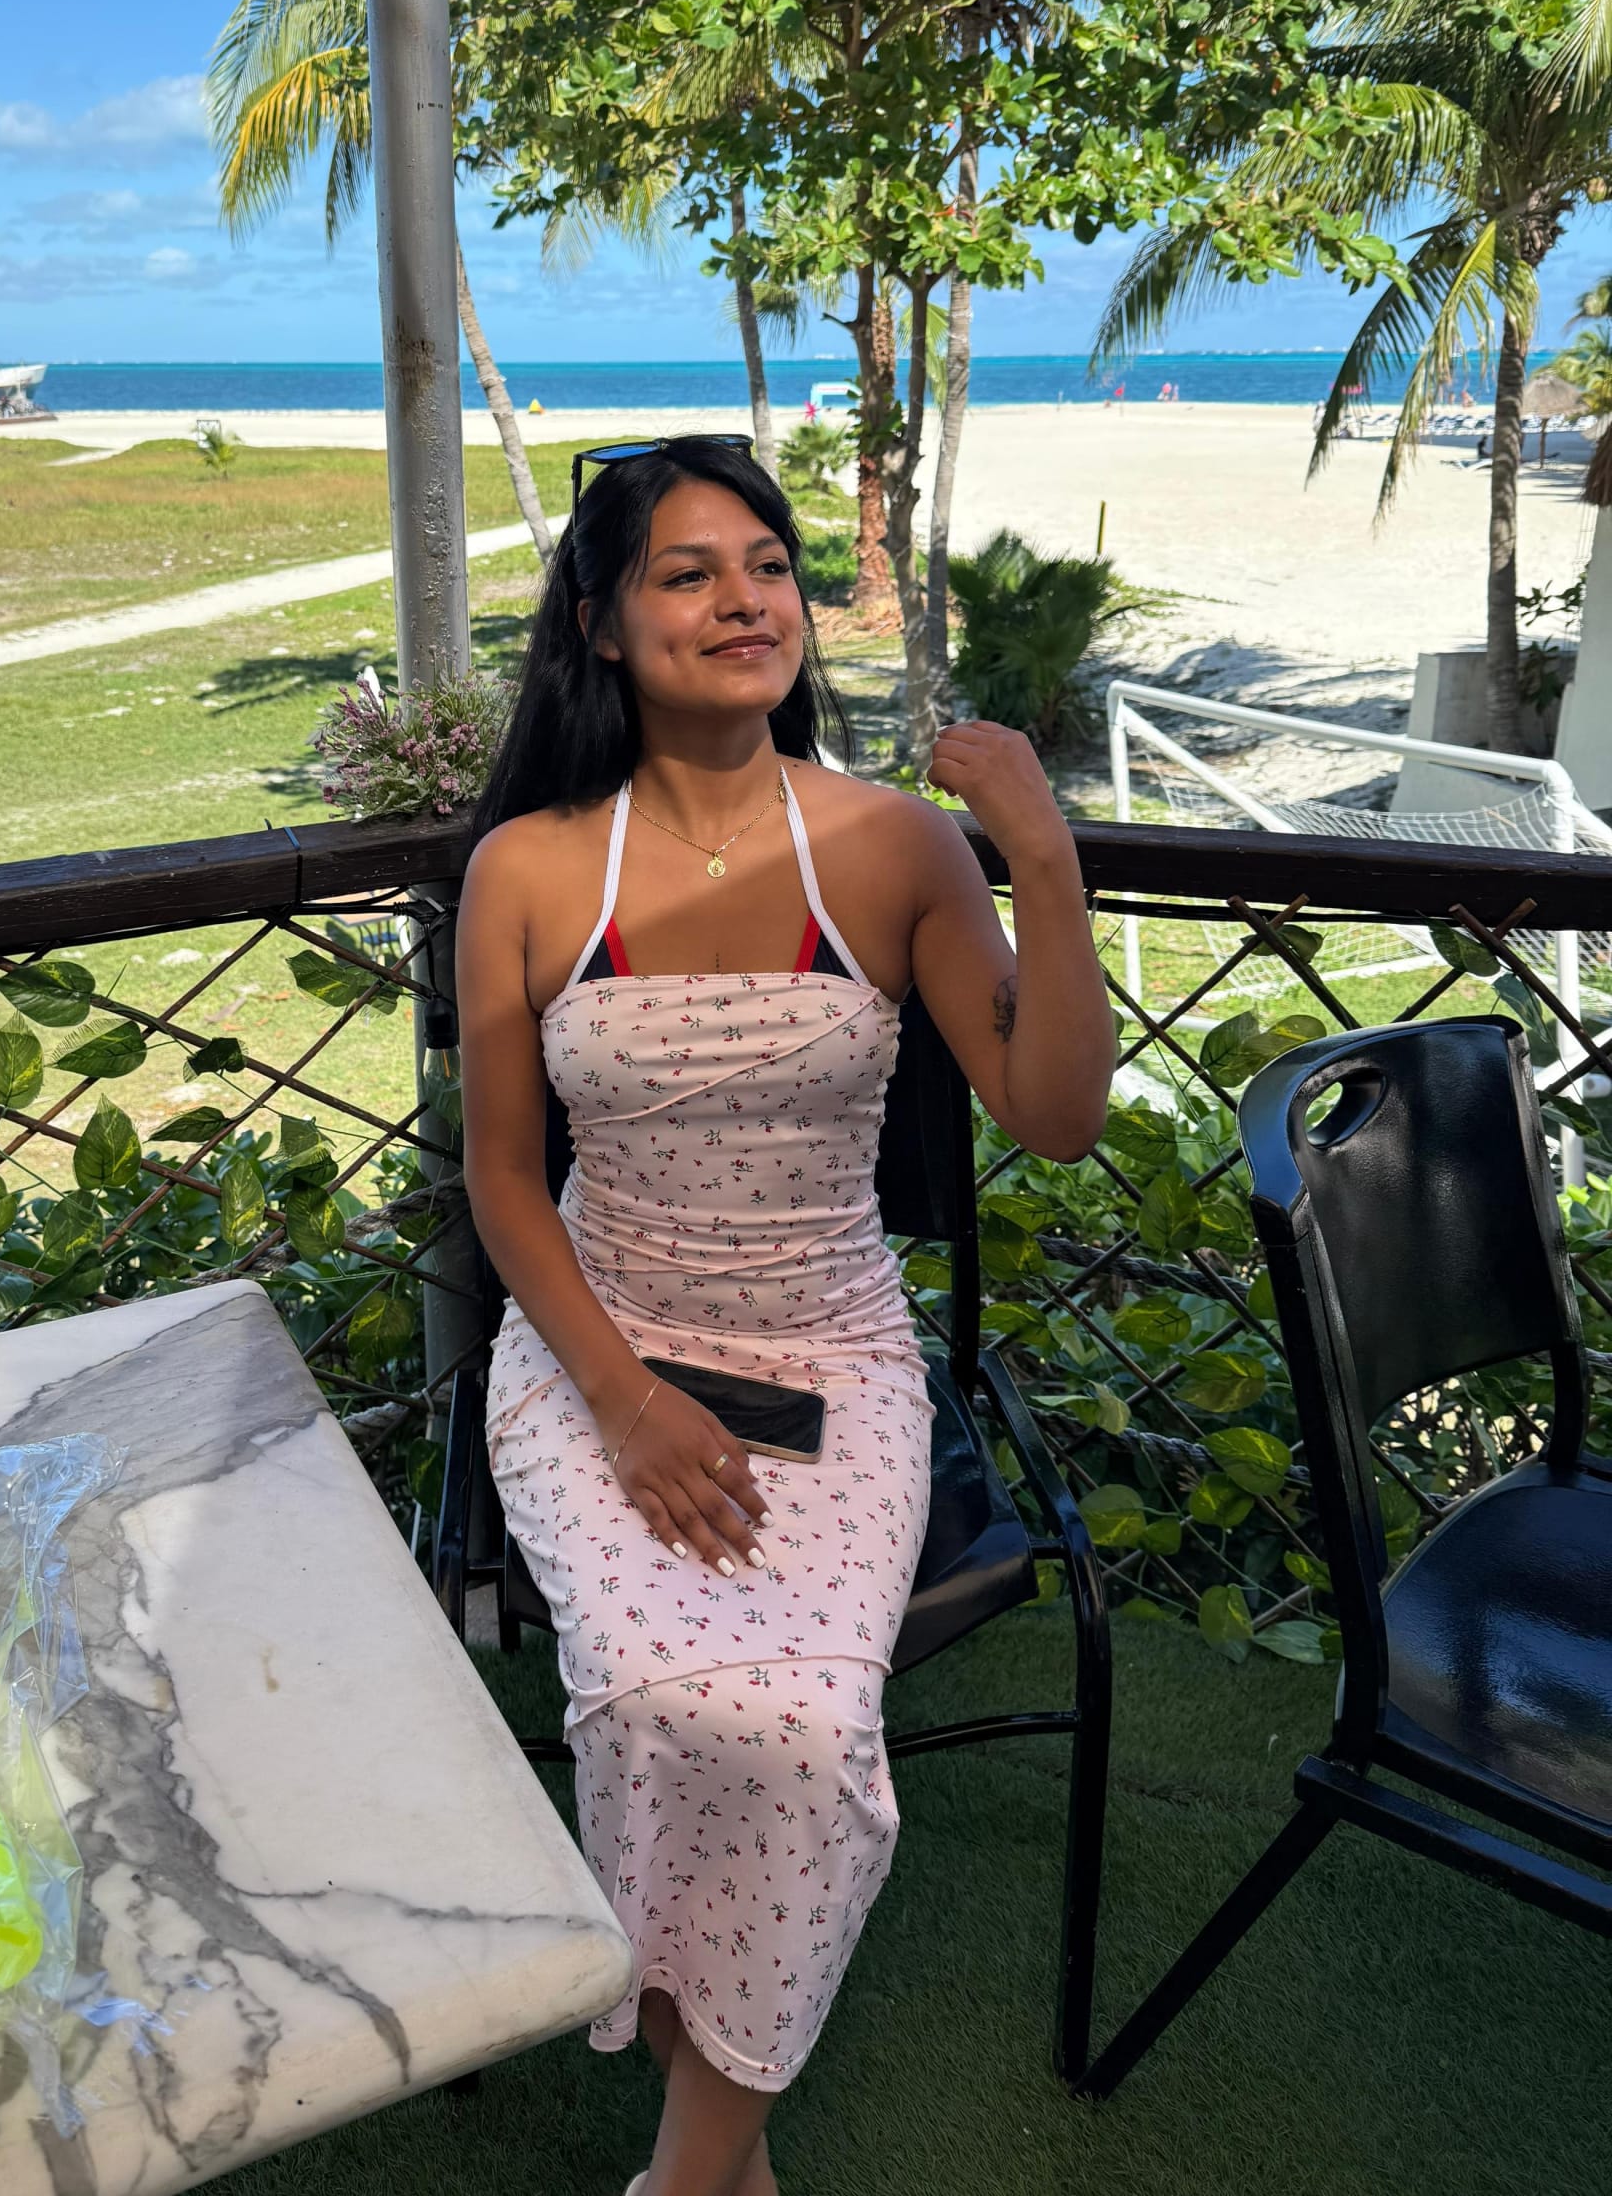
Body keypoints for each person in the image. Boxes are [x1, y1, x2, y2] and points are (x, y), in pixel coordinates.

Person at [457, 437, 1114, 2196]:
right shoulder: (530, 870)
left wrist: (1042, 862)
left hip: (832, 1353)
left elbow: (1053, 1114)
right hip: (597, 1350)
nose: (745, 601)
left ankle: (689, 2174)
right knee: (655, 1692)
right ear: (600, 623)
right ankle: (725, 2165)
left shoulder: (893, 849)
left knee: (805, 1728)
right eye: (688, 573)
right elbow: (507, 1185)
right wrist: (626, 1404)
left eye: (768, 565)